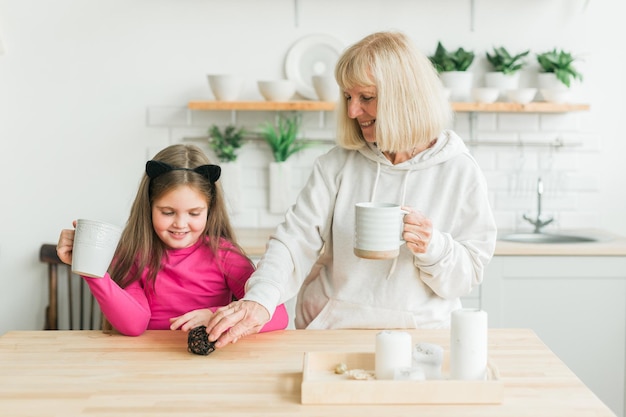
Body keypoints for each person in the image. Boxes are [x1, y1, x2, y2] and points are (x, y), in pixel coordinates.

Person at [205, 31, 497, 348]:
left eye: (366, 98)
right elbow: (294, 240)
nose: (352, 112)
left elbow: (466, 276)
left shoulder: (459, 171)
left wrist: (434, 246)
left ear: (405, 97)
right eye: (347, 97)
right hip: (333, 331)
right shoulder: (336, 165)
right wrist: (259, 300)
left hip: (421, 338)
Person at [56, 144, 289, 336]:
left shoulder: (224, 255)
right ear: (149, 207)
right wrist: (91, 269)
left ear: (210, 210)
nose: (180, 223)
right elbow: (134, 325)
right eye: (167, 212)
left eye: (194, 213)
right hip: (150, 366)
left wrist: (215, 315)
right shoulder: (134, 255)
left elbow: (279, 315)